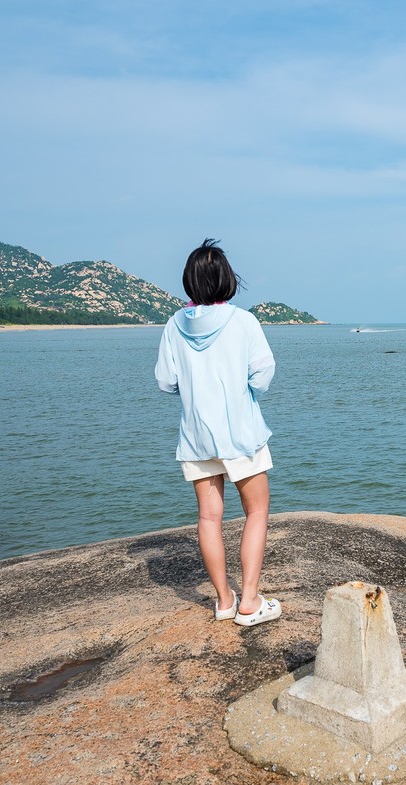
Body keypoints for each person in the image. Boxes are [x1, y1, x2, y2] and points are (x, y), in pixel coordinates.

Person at [155, 239, 282, 627]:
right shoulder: (243, 321)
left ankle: (224, 601)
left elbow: (165, 381)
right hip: (241, 433)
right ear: (227, 279)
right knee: (256, 511)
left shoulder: (174, 325)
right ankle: (249, 601)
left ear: (190, 282)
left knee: (209, 518)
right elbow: (262, 374)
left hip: (196, 437)